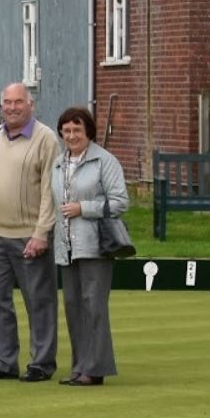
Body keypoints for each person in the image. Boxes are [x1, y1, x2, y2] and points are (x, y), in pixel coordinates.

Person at [0, 83, 61, 383]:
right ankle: (3, 361)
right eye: (7, 102)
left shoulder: (46, 139)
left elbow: (52, 190)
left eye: (18, 102)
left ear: (30, 104)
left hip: (30, 236)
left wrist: (41, 233)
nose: (12, 107)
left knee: (39, 301)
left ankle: (42, 363)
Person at [50, 107, 129, 387]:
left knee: (94, 307)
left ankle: (95, 370)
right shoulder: (59, 164)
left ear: (89, 133)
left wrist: (83, 208)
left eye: (77, 130)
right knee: (73, 308)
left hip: (96, 246)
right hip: (67, 247)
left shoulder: (104, 161)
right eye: (67, 130)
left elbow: (120, 203)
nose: (71, 136)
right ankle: (80, 366)